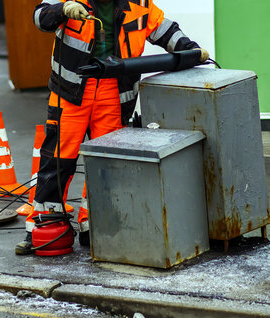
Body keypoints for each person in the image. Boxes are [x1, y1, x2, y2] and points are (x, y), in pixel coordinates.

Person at [16, 0, 209, 255]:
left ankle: (95, 225)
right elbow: (41, 18)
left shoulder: (139, 4)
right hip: (71, 93)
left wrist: (193, 51)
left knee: (106, 164)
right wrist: (63, 10)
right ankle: (43, 227)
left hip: (114, 95)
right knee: (58, 160)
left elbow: (166, 31)